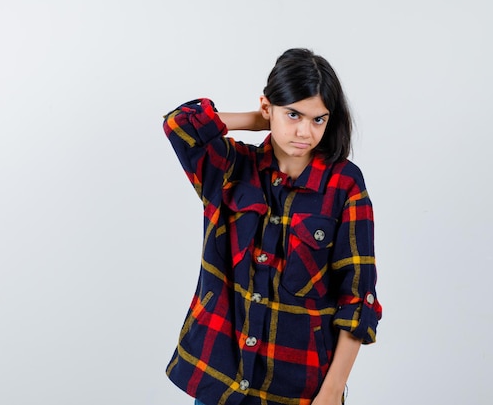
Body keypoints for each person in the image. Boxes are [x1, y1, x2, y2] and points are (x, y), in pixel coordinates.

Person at [162, 48, 382, 405]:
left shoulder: (345, 185)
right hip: (222, 383)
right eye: (293, 114)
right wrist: (258, 120)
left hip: (299, 390)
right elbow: (180, 124)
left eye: (318, 120)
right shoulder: (231, 167)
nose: (304, 131)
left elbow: (357, 300)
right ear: (268, 107)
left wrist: (331, 393)